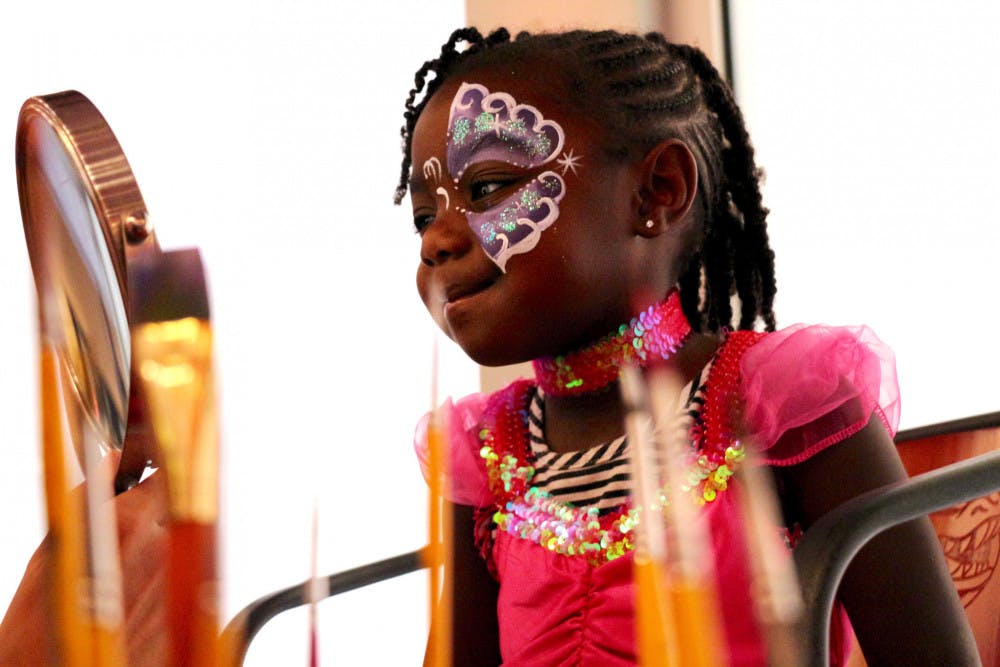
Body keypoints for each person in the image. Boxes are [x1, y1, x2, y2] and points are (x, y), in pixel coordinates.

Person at [400, 27, 980, 666]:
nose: (437, 241)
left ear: (660, 191)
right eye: (425, 217)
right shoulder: (483, 458)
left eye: (486, 188)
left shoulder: (784, 403)